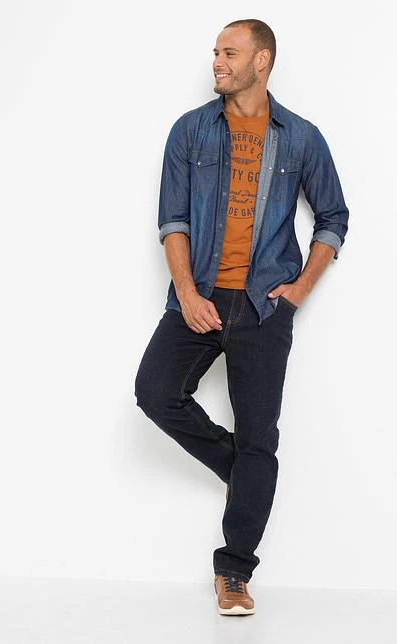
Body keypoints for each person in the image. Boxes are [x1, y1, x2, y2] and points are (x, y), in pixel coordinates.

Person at [134, 18, 349, 616]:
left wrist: (298, 291)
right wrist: (186, 293)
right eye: (215, 52)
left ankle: (233, 573)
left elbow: (333, 216)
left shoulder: (301, 138)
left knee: (261, 436)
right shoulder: (191, 131)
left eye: (230, 52)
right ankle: (242, 470)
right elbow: (172, 220)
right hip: (199, 296)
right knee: (155, 392)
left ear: (262, 61)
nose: (217, 61)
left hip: (263, 307)